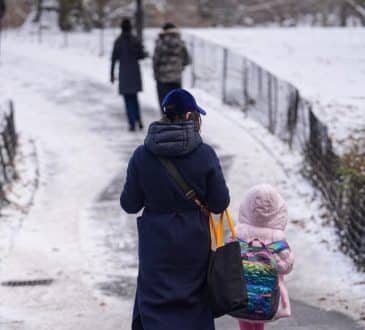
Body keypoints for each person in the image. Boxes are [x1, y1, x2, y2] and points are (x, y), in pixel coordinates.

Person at [120, 89, 230, 330]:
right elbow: (220, 202)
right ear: (190, 114)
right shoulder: (205, 154)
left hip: (155, 242)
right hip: (194, 240)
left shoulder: (142, 155)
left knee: (155, 301)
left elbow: (129, 204)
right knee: (194, 302)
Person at [235, 184, 295, 330]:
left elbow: (229, 260)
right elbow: (285, 267)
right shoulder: (276, 237)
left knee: (245, 319)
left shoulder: (239, 233)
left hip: (241, 289)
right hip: (267, 292)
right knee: (261, 316)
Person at [111, 18, 146, 131]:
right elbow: (141, 55)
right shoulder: (135, 40)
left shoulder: (118, 41)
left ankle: (132, 122)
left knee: (127, 99)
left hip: (124, 73)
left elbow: (113, 59)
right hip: (134, 72)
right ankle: (138, 120)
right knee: (135, 98)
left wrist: (111, 74)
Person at [153, 22, 191, 112]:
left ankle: (166, 122)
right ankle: (176, 123)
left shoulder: (160, 43)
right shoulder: (180, 43)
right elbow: (187, 60)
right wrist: (179, 67)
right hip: (176, 78)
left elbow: (155, 61)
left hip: (162, 79)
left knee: (164, 104)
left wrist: (156, 74)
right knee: (176, 103)